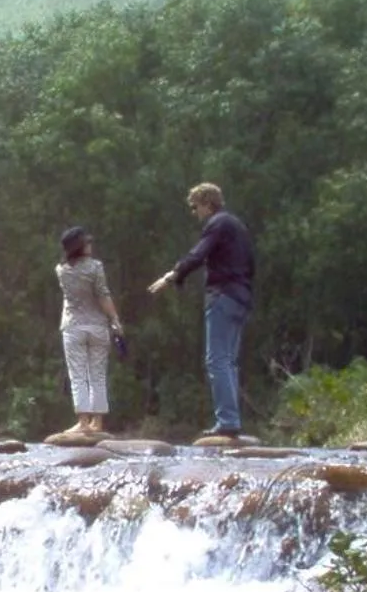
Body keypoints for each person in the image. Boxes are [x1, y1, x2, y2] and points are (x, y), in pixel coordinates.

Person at [147, 182, 255, 440]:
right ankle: (231, 420)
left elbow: (198, 255)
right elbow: (250, 264)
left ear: (207, 203)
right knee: (229, 361)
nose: (195, 213)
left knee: (216, 360)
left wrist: (171, 276)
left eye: (195, 207)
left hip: (223, 297)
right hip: (241, 298)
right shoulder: (238, 225)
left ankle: (227, 421)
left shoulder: (217, 224)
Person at [56, 226, 124, 435]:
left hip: (73, 325)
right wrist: (115, 319)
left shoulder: (61, 270)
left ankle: (83, 422)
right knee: (98, 375)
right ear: (79, 246)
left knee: (78, 375)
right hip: (97, 326)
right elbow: (103, 295)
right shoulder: (96, 267)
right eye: (87, 242)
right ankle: (97, 422)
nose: (90, 245)